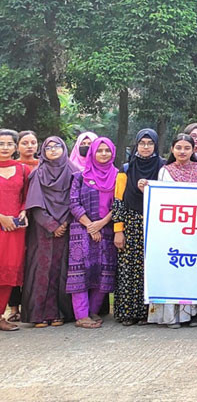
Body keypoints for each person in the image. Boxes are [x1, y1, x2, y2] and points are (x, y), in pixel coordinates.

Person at [148, 134, 197, 328]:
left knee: (193, 271)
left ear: (193, 150)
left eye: (187, 148)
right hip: (171, 230)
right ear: (172, 150)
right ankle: (171, 316)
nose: (182, 151)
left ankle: (192, 314)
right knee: (172, 270)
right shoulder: (165, 172)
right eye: (179, 148)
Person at [112, 129, 164, 326]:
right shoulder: (126, 168)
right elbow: (118, 200)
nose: (145, 147)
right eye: (142, 143)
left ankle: (147, 313)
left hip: (155, 224)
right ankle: (128, 312)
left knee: (150, 268)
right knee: (129, 268)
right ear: (136, 145)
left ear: (156, 146)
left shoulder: (163, 167)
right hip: (131, 222)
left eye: (150, 143)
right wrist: (119, 229)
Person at [21, 136, 74, 328]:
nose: (53, 150)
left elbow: (74, 200)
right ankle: (38, 314)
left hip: (66, 227)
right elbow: (35, 204)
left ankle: (58, 312)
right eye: (48, 147)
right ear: (43, 151)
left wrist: (65, 223)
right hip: (42, 229)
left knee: (60, 270)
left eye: (57, 146)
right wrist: (51, 225)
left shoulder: (73, 171)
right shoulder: (38, 173)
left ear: (64, 149)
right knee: (41, 268)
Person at [67, 137, 117, 329]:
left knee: (104, 270)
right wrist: (90, 226)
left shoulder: (118, 176)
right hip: (81, 230)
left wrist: (102, 223)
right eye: (99, 150)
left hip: (107, 229)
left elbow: (119, 203)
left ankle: (92, 311)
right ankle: (81, 316)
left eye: (107, 150)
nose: (103, 154)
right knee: (81, 272)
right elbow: (73, 203)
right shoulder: (80, 176)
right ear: (92, 153)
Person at [0, 129, 29, 332]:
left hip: (15, 230)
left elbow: (27, 197)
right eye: (1, 144)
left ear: (15, 147)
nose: (5, 148)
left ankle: (1, 316)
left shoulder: (23, 169)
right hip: (1, 223)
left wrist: (24, 212)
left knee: (9, 272)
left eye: (9, 144)